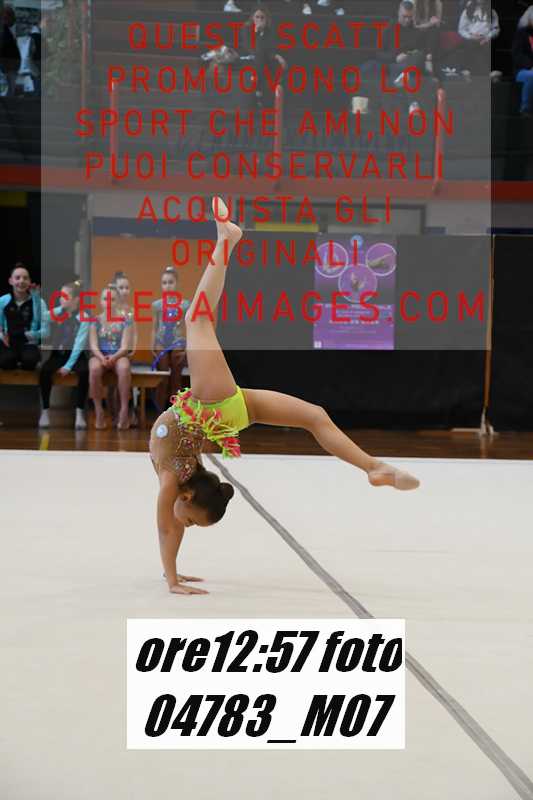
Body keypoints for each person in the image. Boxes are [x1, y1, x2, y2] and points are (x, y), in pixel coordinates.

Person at [149, 198, 420, 597]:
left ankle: (227, 239)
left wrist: (172, 578)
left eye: (190, 522)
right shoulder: (182, 480)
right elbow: (173, 525)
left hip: (215, 409)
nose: (183, 524)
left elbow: (166, 526)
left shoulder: (173, 483)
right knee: (311, 413)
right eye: (191, 521)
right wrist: (171, 574)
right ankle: (372, 466)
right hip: (219, 410)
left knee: (200, 319)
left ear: (186, 497)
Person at [39, 280, 89, 430]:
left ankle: (79, 412)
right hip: (58, 354)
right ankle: (45, 411)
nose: (61, 299)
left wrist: (68, 366)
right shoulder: (59, 312)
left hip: (75, 355)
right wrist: (59, 308)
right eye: (60, 296)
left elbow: (79, 345)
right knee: (44, 371)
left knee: (84, 372)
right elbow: (43, 317)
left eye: (65, 296)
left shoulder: (83, 317)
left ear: (76, 300)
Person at [88, 285, 133, 429]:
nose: (108, 302)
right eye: (105, 299)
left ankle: (124, 410)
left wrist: (114, 357)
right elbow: (93, 345)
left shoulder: (126, 320)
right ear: (100, 301)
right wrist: (102, 358)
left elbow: (125, 347)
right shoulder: (95, 321)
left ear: (117, 301)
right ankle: (98, 410)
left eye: (112, 299)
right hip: (100, 355)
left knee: (124, 367)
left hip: (118, 355)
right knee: (94, 368)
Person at [151, 266, 189, 410]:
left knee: (176, 379)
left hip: (177, 341)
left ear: (177, 284)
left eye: (171, 282)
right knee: (163, 379)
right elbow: (154, 327)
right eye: (164, 283)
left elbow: (188, 328)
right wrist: (152, 345)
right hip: (161, 341)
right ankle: (160, 412)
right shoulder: (157, 305)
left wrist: (187, 349)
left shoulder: (184, 305)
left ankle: (177, 413)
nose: (168, 286)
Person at [0, 264, 49, 370]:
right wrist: (1, 335)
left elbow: (46, 331)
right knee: (6, 361)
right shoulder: (2, 301)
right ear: (10, 281)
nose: (21, 281)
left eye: (25, 278)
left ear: (30, 281)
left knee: (30, 360)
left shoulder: (39, 302)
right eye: (17, 278)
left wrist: (31, 335)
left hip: (28, 343)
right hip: (8, 343)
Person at [456, 1, 500, 77]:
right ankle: (468, 71)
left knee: (488, 46)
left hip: (486, 39)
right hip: (471, 38)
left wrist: (488, 37)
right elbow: (461, 29)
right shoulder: (467, 11)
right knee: (470, 45)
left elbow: (496, 29)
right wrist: (471, 36)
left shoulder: (492, 12)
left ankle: (486, 73)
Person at [513, 6, 533, 116]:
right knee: (531, 76)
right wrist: (531, 66)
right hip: (523, 70)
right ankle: (525, 108)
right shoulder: (521, 34)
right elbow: (517, 55)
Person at [0, 4, 20, 96]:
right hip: (7, 66)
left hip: (9, 66)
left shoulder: (6, 30)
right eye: (12, 16)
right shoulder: (4, 30)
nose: (14, 20)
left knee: (8, 90)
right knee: (8, 91)